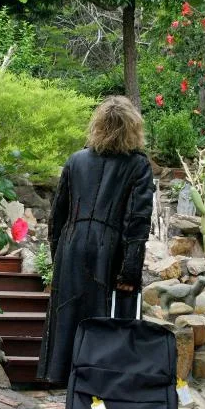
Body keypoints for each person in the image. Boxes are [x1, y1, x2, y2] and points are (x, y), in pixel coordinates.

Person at [37, 95, 155, 385]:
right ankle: (103, 397)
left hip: (71, 247)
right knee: (109, 323)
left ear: (98, 125)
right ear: (132, 128)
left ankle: (72, 395)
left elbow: (57, 217)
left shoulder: (75, 160)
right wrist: (129, 271)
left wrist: (58, 258)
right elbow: (136, 222)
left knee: (70, 321)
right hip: (110, 253)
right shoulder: (138, 165)